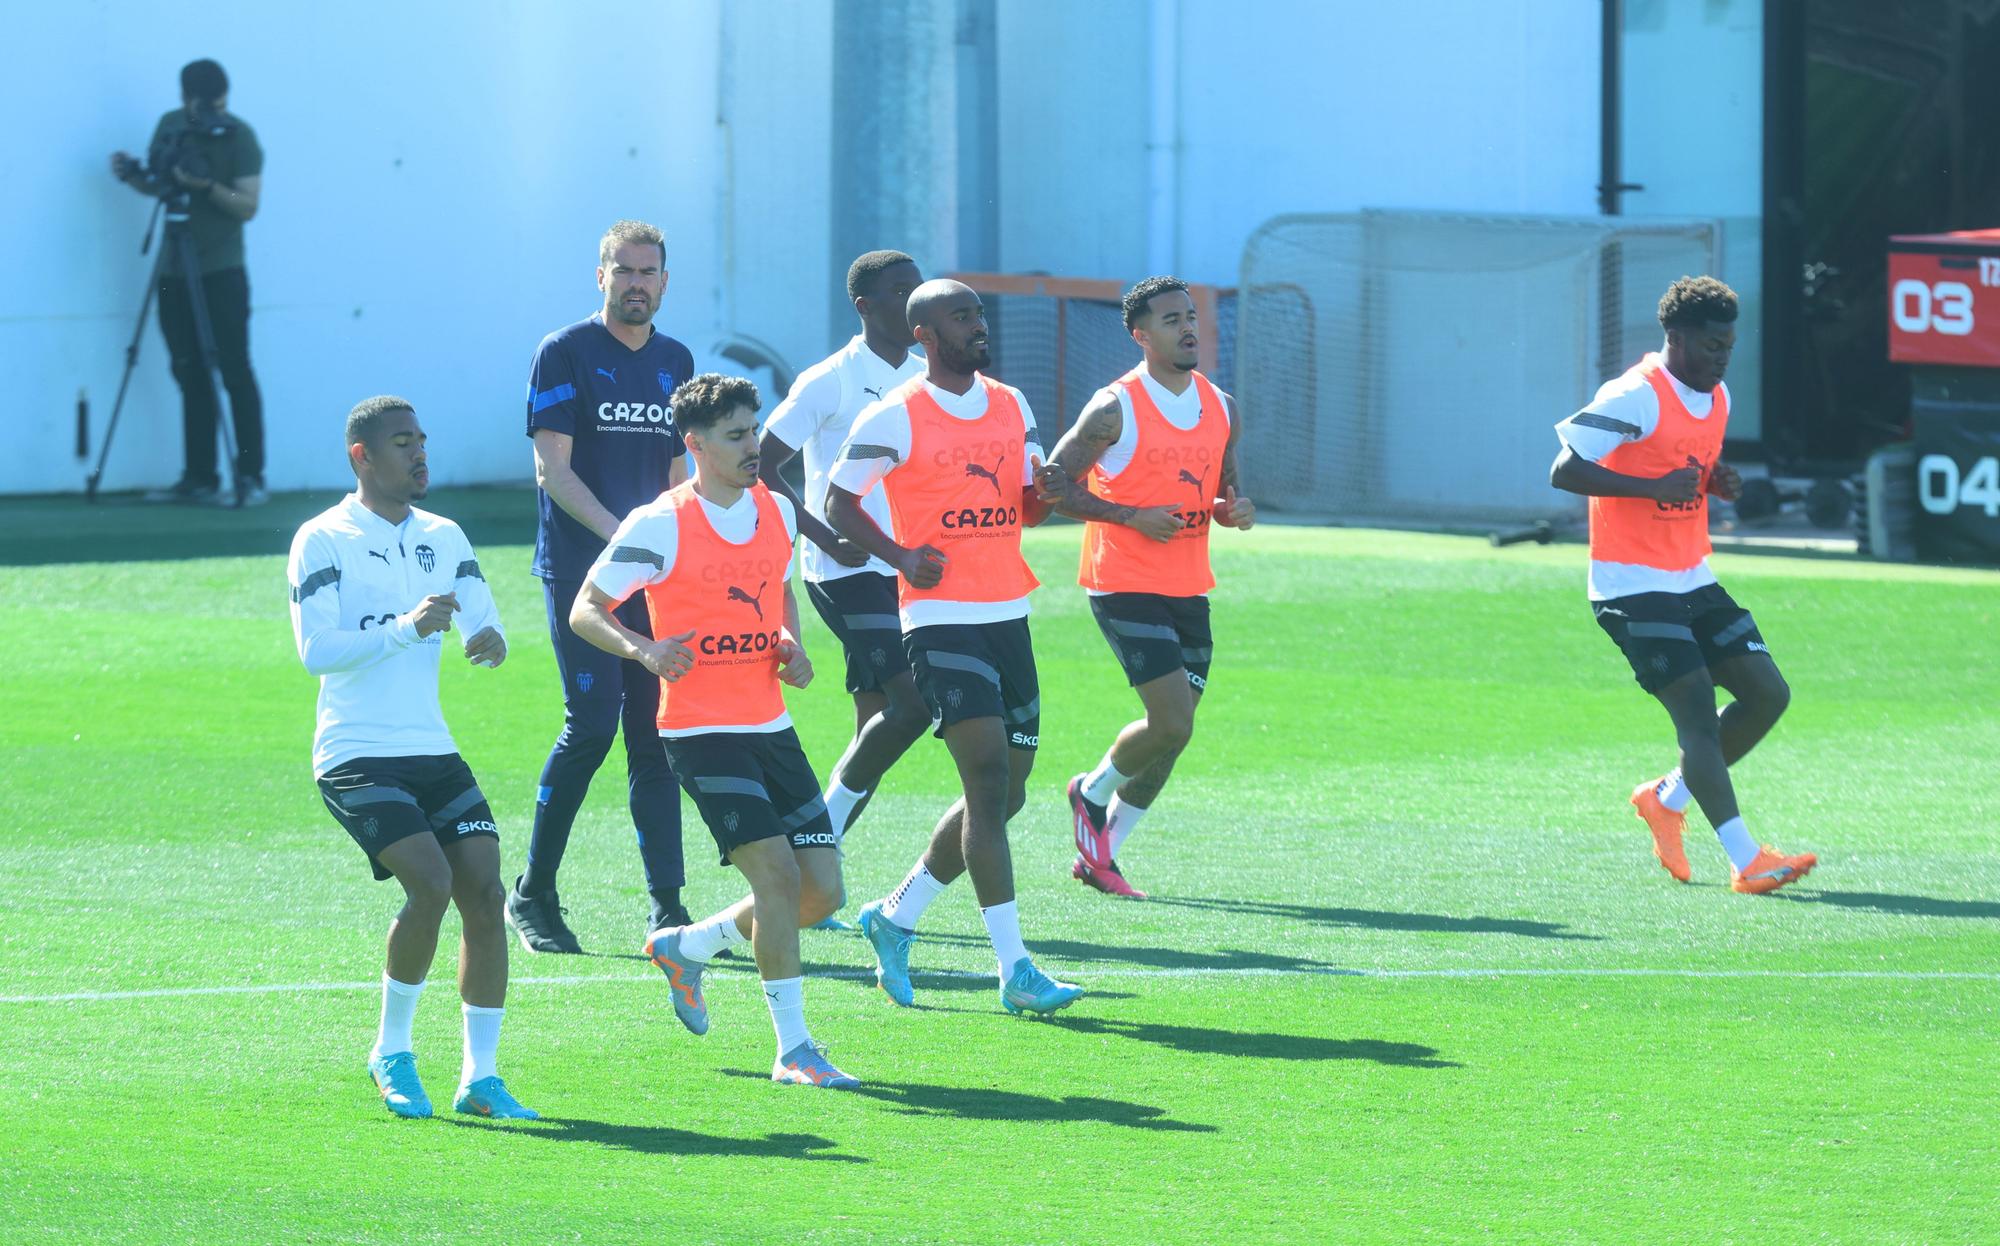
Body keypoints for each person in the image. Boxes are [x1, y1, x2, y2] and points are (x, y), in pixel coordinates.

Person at [572, 374, 859, 1089]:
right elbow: (586, 608)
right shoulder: (659, 523)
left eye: (755, 430)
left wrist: (791, 646)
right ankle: (794, 1049)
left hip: (771, 722)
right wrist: (645, 651)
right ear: (695, 445)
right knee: (777, 876)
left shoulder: (777, 512)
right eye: (736, 435)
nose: (753, 445)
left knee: (823, 894)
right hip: (701, 730)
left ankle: (686, 945)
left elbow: (778, 588)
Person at [826, 278, 1084, 1016]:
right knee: (986, 780)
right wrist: (902, 558)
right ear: (925, 338)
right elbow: (838, 501)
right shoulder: (896, 414)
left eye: (979, 314)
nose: (979, 326)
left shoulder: (1011, 403)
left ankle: (895, 916)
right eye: (962, 317)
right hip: (939, 621)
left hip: (1010, 611)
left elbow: (1028, 502)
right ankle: (1017, 970)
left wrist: (1048, 492)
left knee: (1008, 792)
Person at [287, 396, 536, 1120]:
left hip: (431, 748)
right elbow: (315, 651)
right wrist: (403, 629)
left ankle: (481, 1079)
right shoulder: (322, 538)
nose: (420, 454)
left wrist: (488, 642)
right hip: (355, 754)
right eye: (402, 443)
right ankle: (391, 1052)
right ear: (362, 456)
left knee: (485, 894)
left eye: (423, 440)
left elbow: (481, 621)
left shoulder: (446, 535)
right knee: (429, 882)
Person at [1550, 275, 1816, 894]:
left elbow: (1686, 466)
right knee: (1696, 711)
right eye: (1711, 346)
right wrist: (1650, 488)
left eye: (1729, 345)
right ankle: (1746, 860)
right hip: (1630, 584)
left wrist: (1714, 480)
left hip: (1691, 575)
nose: (1723, 358)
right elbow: (1564, 470)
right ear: (1676, 337)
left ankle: (1666, 798)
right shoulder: (1635, 393)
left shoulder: (1715, 394)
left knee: (1767, 695)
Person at [507, 220, 694, 954]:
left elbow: (680, 470)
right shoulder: (565, 351)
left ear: (664, 283)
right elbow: (552, 469)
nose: (637, 283)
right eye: (624, 271)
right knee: (590, 726)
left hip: (657, 576)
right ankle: (533, 895)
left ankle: (668, 908)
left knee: (657, 737)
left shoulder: (677, 360)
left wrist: (677, 547)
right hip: (583, 571)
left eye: (648, 273)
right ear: (601, 277)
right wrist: (626, 539)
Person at [1041, 276, 1257, 898]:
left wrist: (1234, 509)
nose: (1188, 327)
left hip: (1189, 584)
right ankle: (1090, 792)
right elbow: (1054, 487)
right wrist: (1130, 516)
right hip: (1124, 580)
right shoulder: (1114, 407)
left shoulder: (1223, 406)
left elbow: (1227, 487)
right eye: (1170, 320)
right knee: (1170, 722)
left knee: (1175, 733)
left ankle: (1102, 855)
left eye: (1190, 316)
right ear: (1141, 335)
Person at [757, 250, 930, 919]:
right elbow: (763, 463)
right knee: (910, 706)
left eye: (918, 288)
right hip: (845, 572)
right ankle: (812, 847)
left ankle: (811, 871)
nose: (914, 300)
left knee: (875, 731)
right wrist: (824, 536)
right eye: (899, 291)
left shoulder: (927, 377)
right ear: (864, 306)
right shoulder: (828, 381)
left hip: (911, 571)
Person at [110, 58, 266, 506]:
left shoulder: (241, 134)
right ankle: (199, 477)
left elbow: (248, 205)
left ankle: (251, 477)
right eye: (206, 105)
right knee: (187, 369)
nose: (215, 112)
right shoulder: (171, 126)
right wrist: (135, 177)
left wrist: (206, 185)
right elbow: (162, 186)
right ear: (185, 99)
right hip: (174, 270)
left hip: (221, 270)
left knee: (235, 369)